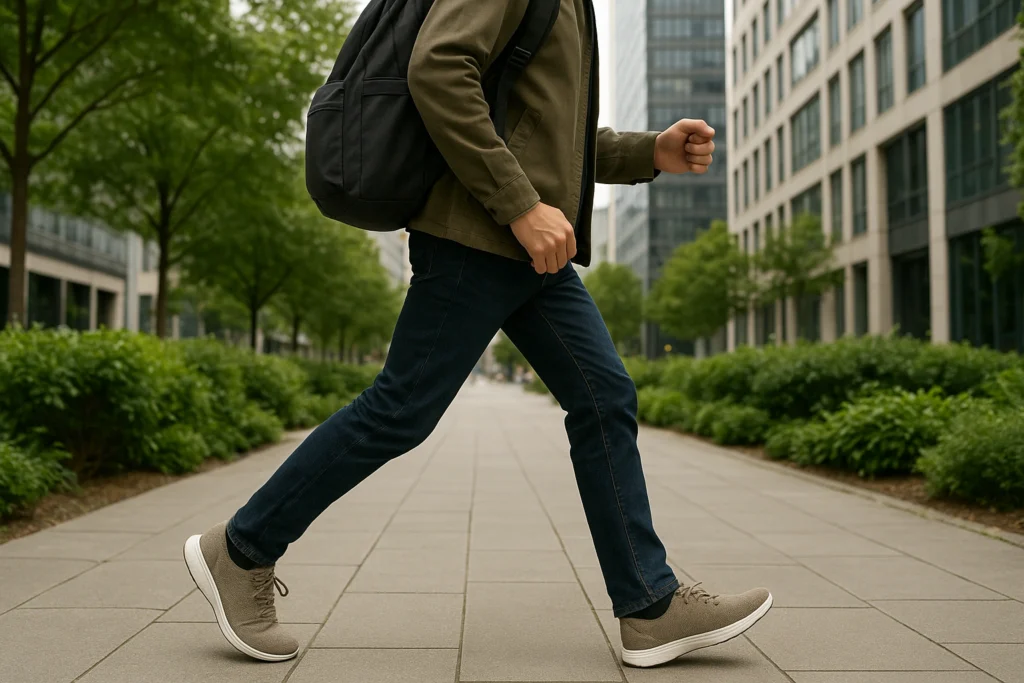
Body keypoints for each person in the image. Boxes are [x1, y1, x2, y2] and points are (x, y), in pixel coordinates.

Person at [183, 0, 772, 669]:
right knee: (401, 408)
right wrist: (520, 205)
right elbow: (438, 68)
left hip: (526, 247)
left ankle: (648, 605)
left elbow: (540, 132)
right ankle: (240, 550)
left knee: (604, 396)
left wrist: (648, 150)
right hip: (479, 233)